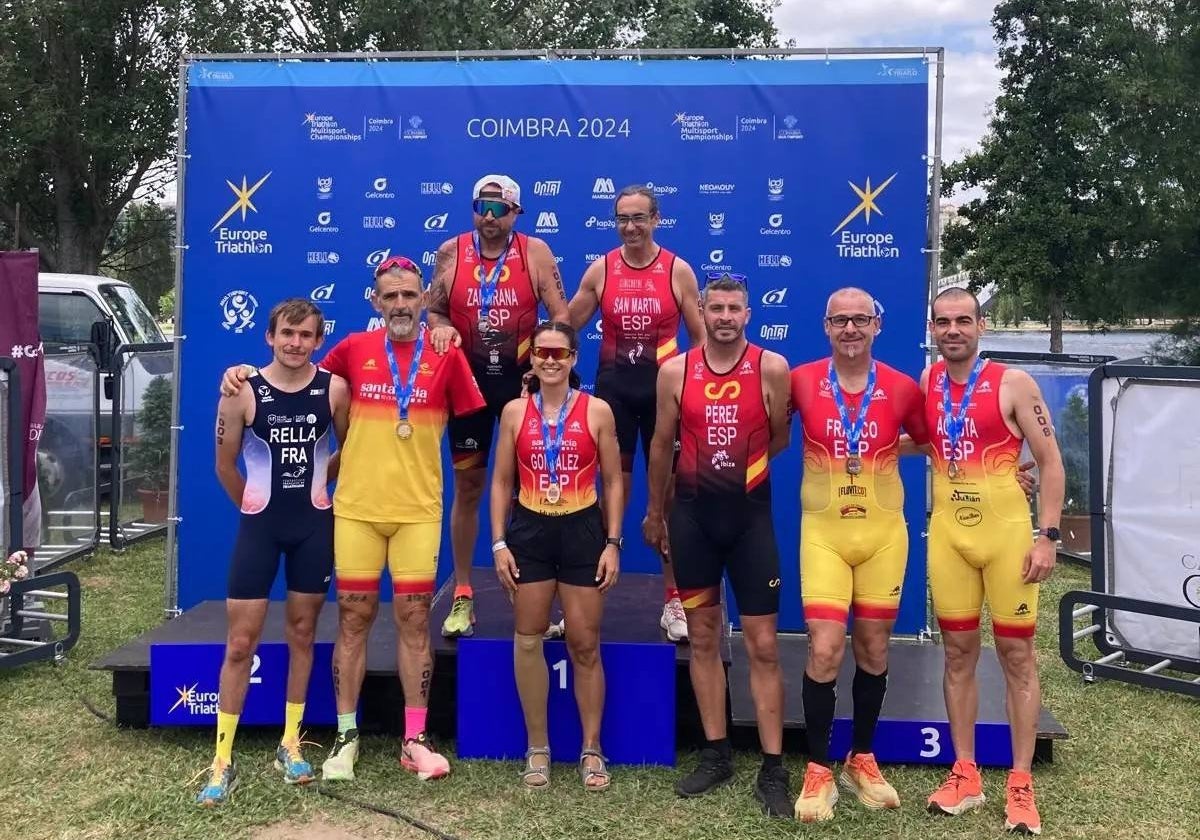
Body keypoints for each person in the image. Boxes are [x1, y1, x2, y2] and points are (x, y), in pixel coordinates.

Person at [220, 256, 486, 782]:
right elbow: (295, 378)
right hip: (357, 513)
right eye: (390, 297)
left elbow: (472, 429)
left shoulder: (446, 354)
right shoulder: (352, 352)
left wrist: (446, 329)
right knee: (353, 621)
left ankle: (414, 740)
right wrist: (242, 371)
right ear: (374, 302)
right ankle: (346, 737)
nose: (400, 305)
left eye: (410, 296)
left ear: (424, 299)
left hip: (418, 513)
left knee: (414, 623)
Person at [642, 274, 793, 817]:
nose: (725, 317)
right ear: (701, 312)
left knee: (763, 645)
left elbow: (779, 436)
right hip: (691, 522)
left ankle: (773, 765)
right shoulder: (675, 371)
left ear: (748, 314)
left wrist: (736, 474)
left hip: (750, 522)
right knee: (702, 638)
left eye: (735, 309)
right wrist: (655, 511)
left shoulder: (771, 368)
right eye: (716, 308)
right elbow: (661, 444)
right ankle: (716, 752)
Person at [921, 287, 1064, 836]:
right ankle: (965, 773)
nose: (952, 331)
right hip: (950, 537)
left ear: (981, 326)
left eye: (962, 321)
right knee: (957, 653)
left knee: (1016, 654)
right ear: (933, 330)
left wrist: (1047, 536)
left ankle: (1021, 783)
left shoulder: (1013, 383)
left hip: (1008, 539)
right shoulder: (928, 383)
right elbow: (921, 440)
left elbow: (1050, 463)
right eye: (943, 322)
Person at [198, 298, 348, 806]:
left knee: (303, 634)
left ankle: (290, 743)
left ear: (318, 341)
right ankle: (222, 759)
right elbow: (223, 465)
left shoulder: (335, 389)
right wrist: (253, 507)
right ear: (269, 336)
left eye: (306, 335)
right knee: (241, 643)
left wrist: (319, 493)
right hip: (260, 528)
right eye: (287, 333)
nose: (296, 343)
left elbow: (346, 452)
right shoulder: (241, 391)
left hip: (314, 526)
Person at [788, 287, 928, 821]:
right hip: (824, 534)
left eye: (860, 320)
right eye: (840, 320)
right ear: (826, 326)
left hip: (883, 536)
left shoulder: (900, 387)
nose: (850, 329)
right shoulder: (800, 380)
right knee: (824, 648)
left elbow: (935, 439)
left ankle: (861, 758)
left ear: (877, 325)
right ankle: (819, 768)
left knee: (873, 648)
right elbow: (767, 428)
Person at [426, 174, 569, 639]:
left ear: (515, 212)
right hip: (467, 385)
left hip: (520, 383)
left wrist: (545, 361)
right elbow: (434, 309)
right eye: (480, 208)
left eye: (498, 210)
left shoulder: (535, 252)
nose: (488, 218)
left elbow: (561, 315)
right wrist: (440, 327)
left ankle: (531, 591)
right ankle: (464, 592)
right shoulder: (451, 251)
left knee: (529, 489)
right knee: (468, 487)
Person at [568, 184, 704, 642]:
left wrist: (702, 394)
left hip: (666, 397)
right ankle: (588, 597)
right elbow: (568, 325)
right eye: (622, 219)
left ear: (656, 219)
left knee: (666, 499)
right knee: (608, 495)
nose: (630, 227)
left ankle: (674, 601)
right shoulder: (602, 268)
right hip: (615, 397)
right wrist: (537, 363)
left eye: (638, 218)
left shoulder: (677, 270)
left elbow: (701, 342)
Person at [490, 321, 622, 790]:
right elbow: (502, 482)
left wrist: (612, 542)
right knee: (528, 638)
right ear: (531, 358)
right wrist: (500, 542)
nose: (549, 360)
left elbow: (614, 481)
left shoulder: (598, 411)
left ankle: (591, 748)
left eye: (559, 353)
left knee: (584, 644)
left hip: (583, 529)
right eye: (542, 352)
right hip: (530, 530)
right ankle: (538, 747)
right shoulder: (512, 413)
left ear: (572, 359)